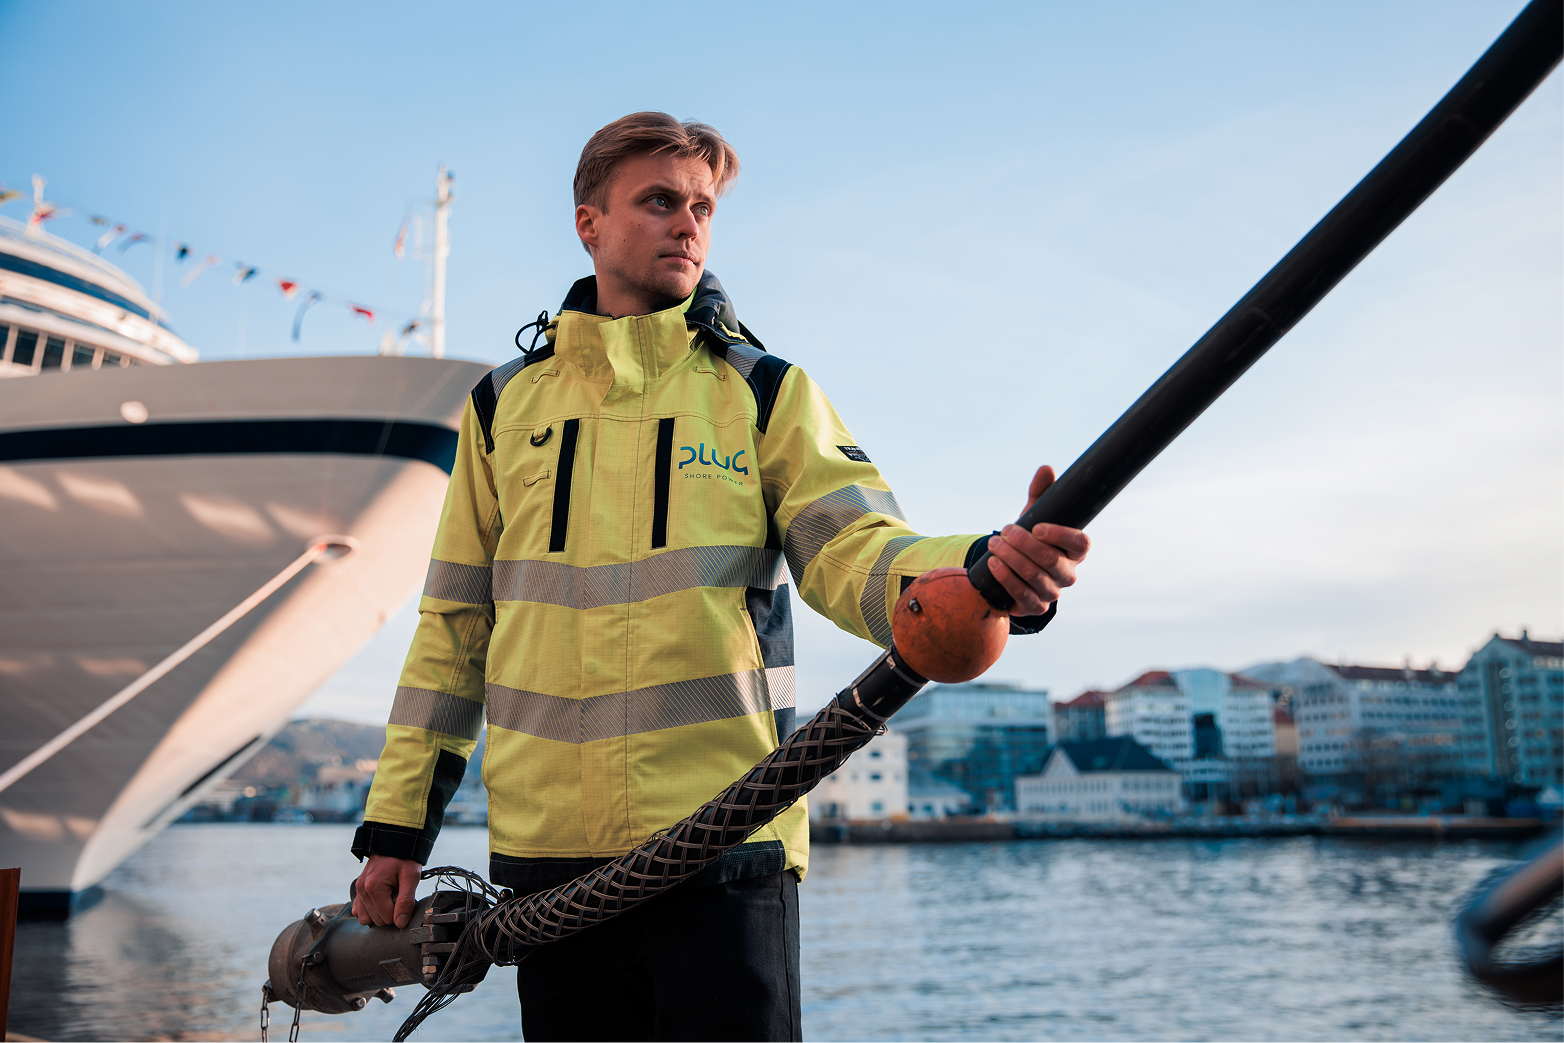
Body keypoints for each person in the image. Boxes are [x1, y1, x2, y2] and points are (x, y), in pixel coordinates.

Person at [349, 112, 1091, 1041]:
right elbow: (454, 626)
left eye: (702, 206)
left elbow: (857, 551)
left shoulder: (762, 391)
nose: (688, 223)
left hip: (724, 850)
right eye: (659, 200)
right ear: (589, 221)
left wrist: (980, 569)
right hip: (549, 866)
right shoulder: (502, 407)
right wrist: (394, 831)